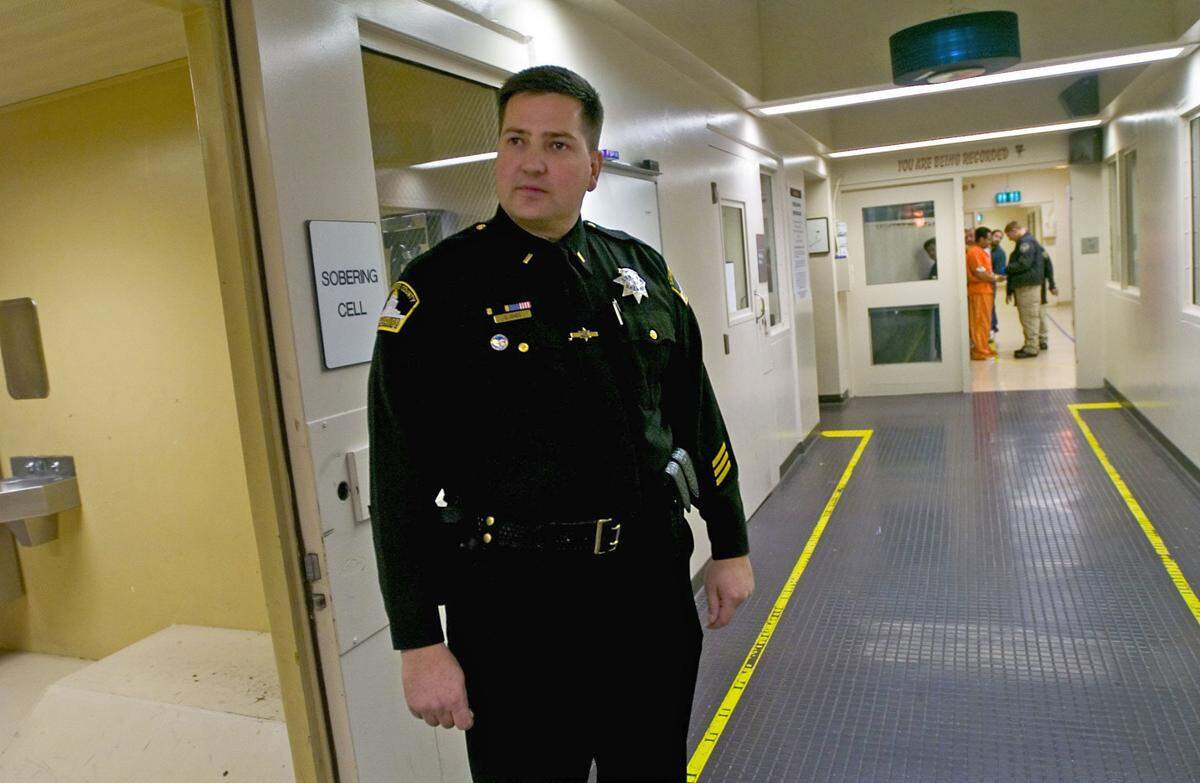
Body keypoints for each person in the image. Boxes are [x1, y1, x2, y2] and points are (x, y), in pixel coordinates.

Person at [367, 64, 755, 782]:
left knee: (651, 765)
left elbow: (696, 416)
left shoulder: (638, 272)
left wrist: (728, 542)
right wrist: (417, 639)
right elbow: (397, 480)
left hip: (646, 587)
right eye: (515, 139)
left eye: (557, 143)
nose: (532, 161)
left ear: (594, 167)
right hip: (513, 604)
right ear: (497, 155)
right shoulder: (438, 292)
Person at [1003, 220, 1047, 358]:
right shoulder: (1029, 241)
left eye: (1009, 235)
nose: (1010, 239)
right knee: (1033, 315)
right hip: (1030, 284)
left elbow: (1024, 264)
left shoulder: (1025, 243)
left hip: (1027, 286)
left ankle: (1031, 347)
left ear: (1015, 230)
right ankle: (1033, 342)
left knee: (1028, 316)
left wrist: (1005, 269)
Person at [967, 227, 1003, 360]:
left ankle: (983, 347)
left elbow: (985, 271)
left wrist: (994, 276)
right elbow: (980, 274)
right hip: (978, 292)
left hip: (985, 291)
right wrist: (996, 278)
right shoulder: (974, 252)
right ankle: (979, 350)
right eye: (988, 239)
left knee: (985, 322)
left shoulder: (982, 252)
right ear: (981, 239)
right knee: (979, 322)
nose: (990, 241)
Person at [989, 229, 1006, 336]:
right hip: (981, 282)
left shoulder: (1000, 253)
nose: (997, 239)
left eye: (1000, 238)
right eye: (996, 236)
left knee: (990, 305)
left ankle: (992, 327)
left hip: (990, 282)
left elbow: (1000, 271)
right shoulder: (982, 248)